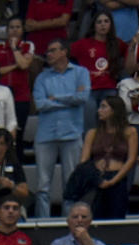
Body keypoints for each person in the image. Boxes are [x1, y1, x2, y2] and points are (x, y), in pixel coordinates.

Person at [33, 39, 90, 217]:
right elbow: (40, 104)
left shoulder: (81, 73)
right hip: (45, 136)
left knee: (70, 184)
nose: (48, 54)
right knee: (42, 186)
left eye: (52, 50)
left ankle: (70, 221)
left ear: (64, 52)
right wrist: (68, 100)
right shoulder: (41, 77)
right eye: (48, 51)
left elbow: (82, 97)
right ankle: (42, 222)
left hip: (72, 133)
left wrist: (55, 98)